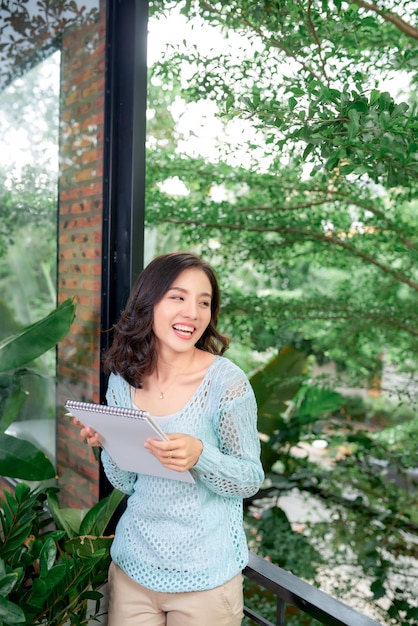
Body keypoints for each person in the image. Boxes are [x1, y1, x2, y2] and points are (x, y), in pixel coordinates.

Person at [74, 251, 264, 626]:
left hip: (206, 583)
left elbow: (249, 479)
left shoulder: (226, 384)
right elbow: (126, 482)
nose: (192, 313)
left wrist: (201, 457)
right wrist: (109, 444)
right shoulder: (123, 380)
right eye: (178, 297)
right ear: (149, 302)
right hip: (132, 571)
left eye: (204, 302)